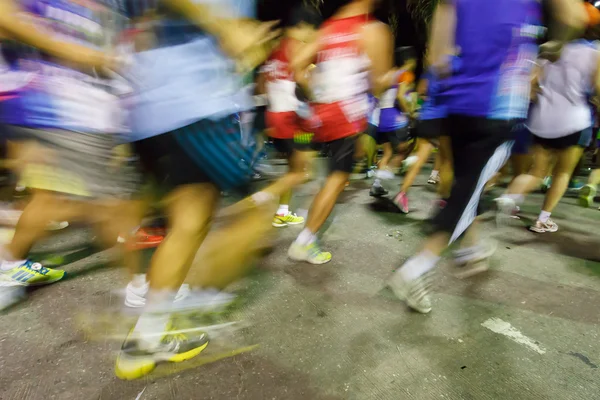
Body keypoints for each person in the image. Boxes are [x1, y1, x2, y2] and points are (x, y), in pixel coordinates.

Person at [115, 0, 280, 379]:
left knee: (191, 220)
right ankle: (176, 304)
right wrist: (223, 26)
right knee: (256, 213)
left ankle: (149, 332)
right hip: (189, 103)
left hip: (164, 100)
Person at [387, 0, 587, 313]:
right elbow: (574, 14)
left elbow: (438, 56)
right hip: (498, 104)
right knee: (466, 192)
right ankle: (415, 268)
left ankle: (471, 249)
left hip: (458, 100)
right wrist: (551, 46)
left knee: (470, 181)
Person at [0, 0, 133, 310]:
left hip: (63, 109)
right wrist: (91, 56)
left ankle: (10, 266)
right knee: (107, 202)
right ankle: (147, 299)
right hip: (48, 108)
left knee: (49, 197)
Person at [287, 0, 398, 264]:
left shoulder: (328, 28)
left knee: (330, 177)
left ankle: (308, 220)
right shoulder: (372, 30)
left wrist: (315, 94)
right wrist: (387, 78)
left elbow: (299, 63)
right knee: (337, 179)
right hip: (348, 115)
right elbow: (379, 84)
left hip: (323, 113)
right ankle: (305, 241)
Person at [497, 14, 600, 233]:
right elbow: (598, 88)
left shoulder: (547, 51)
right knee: (562, 173)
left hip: (542, 121)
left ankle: (510, 196)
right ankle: (542, 220)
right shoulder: (594, 53)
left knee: (537, 171)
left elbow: (530, 84)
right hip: (574, 120)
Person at [262, 4, 321, 228]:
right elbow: (302, 78)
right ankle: (258, 202)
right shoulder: (297, 47)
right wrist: (314, 94)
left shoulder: (275, 48)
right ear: (303, 26)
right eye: (311, 30)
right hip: (295, 120)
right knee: (304, 170)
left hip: (275, 117)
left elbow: (262, 84)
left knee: (295, 168)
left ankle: (282, 212)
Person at [369, 47, 417, 198]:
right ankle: (386, 174)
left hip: (382, 118)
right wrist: (410, 113)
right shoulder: (406, 74)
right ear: (409, 60)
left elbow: (376, 95)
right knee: (403, 151)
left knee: (388, 152)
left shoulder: (388, 75)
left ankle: (377, 184)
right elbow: (401, 97)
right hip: (396, 119)